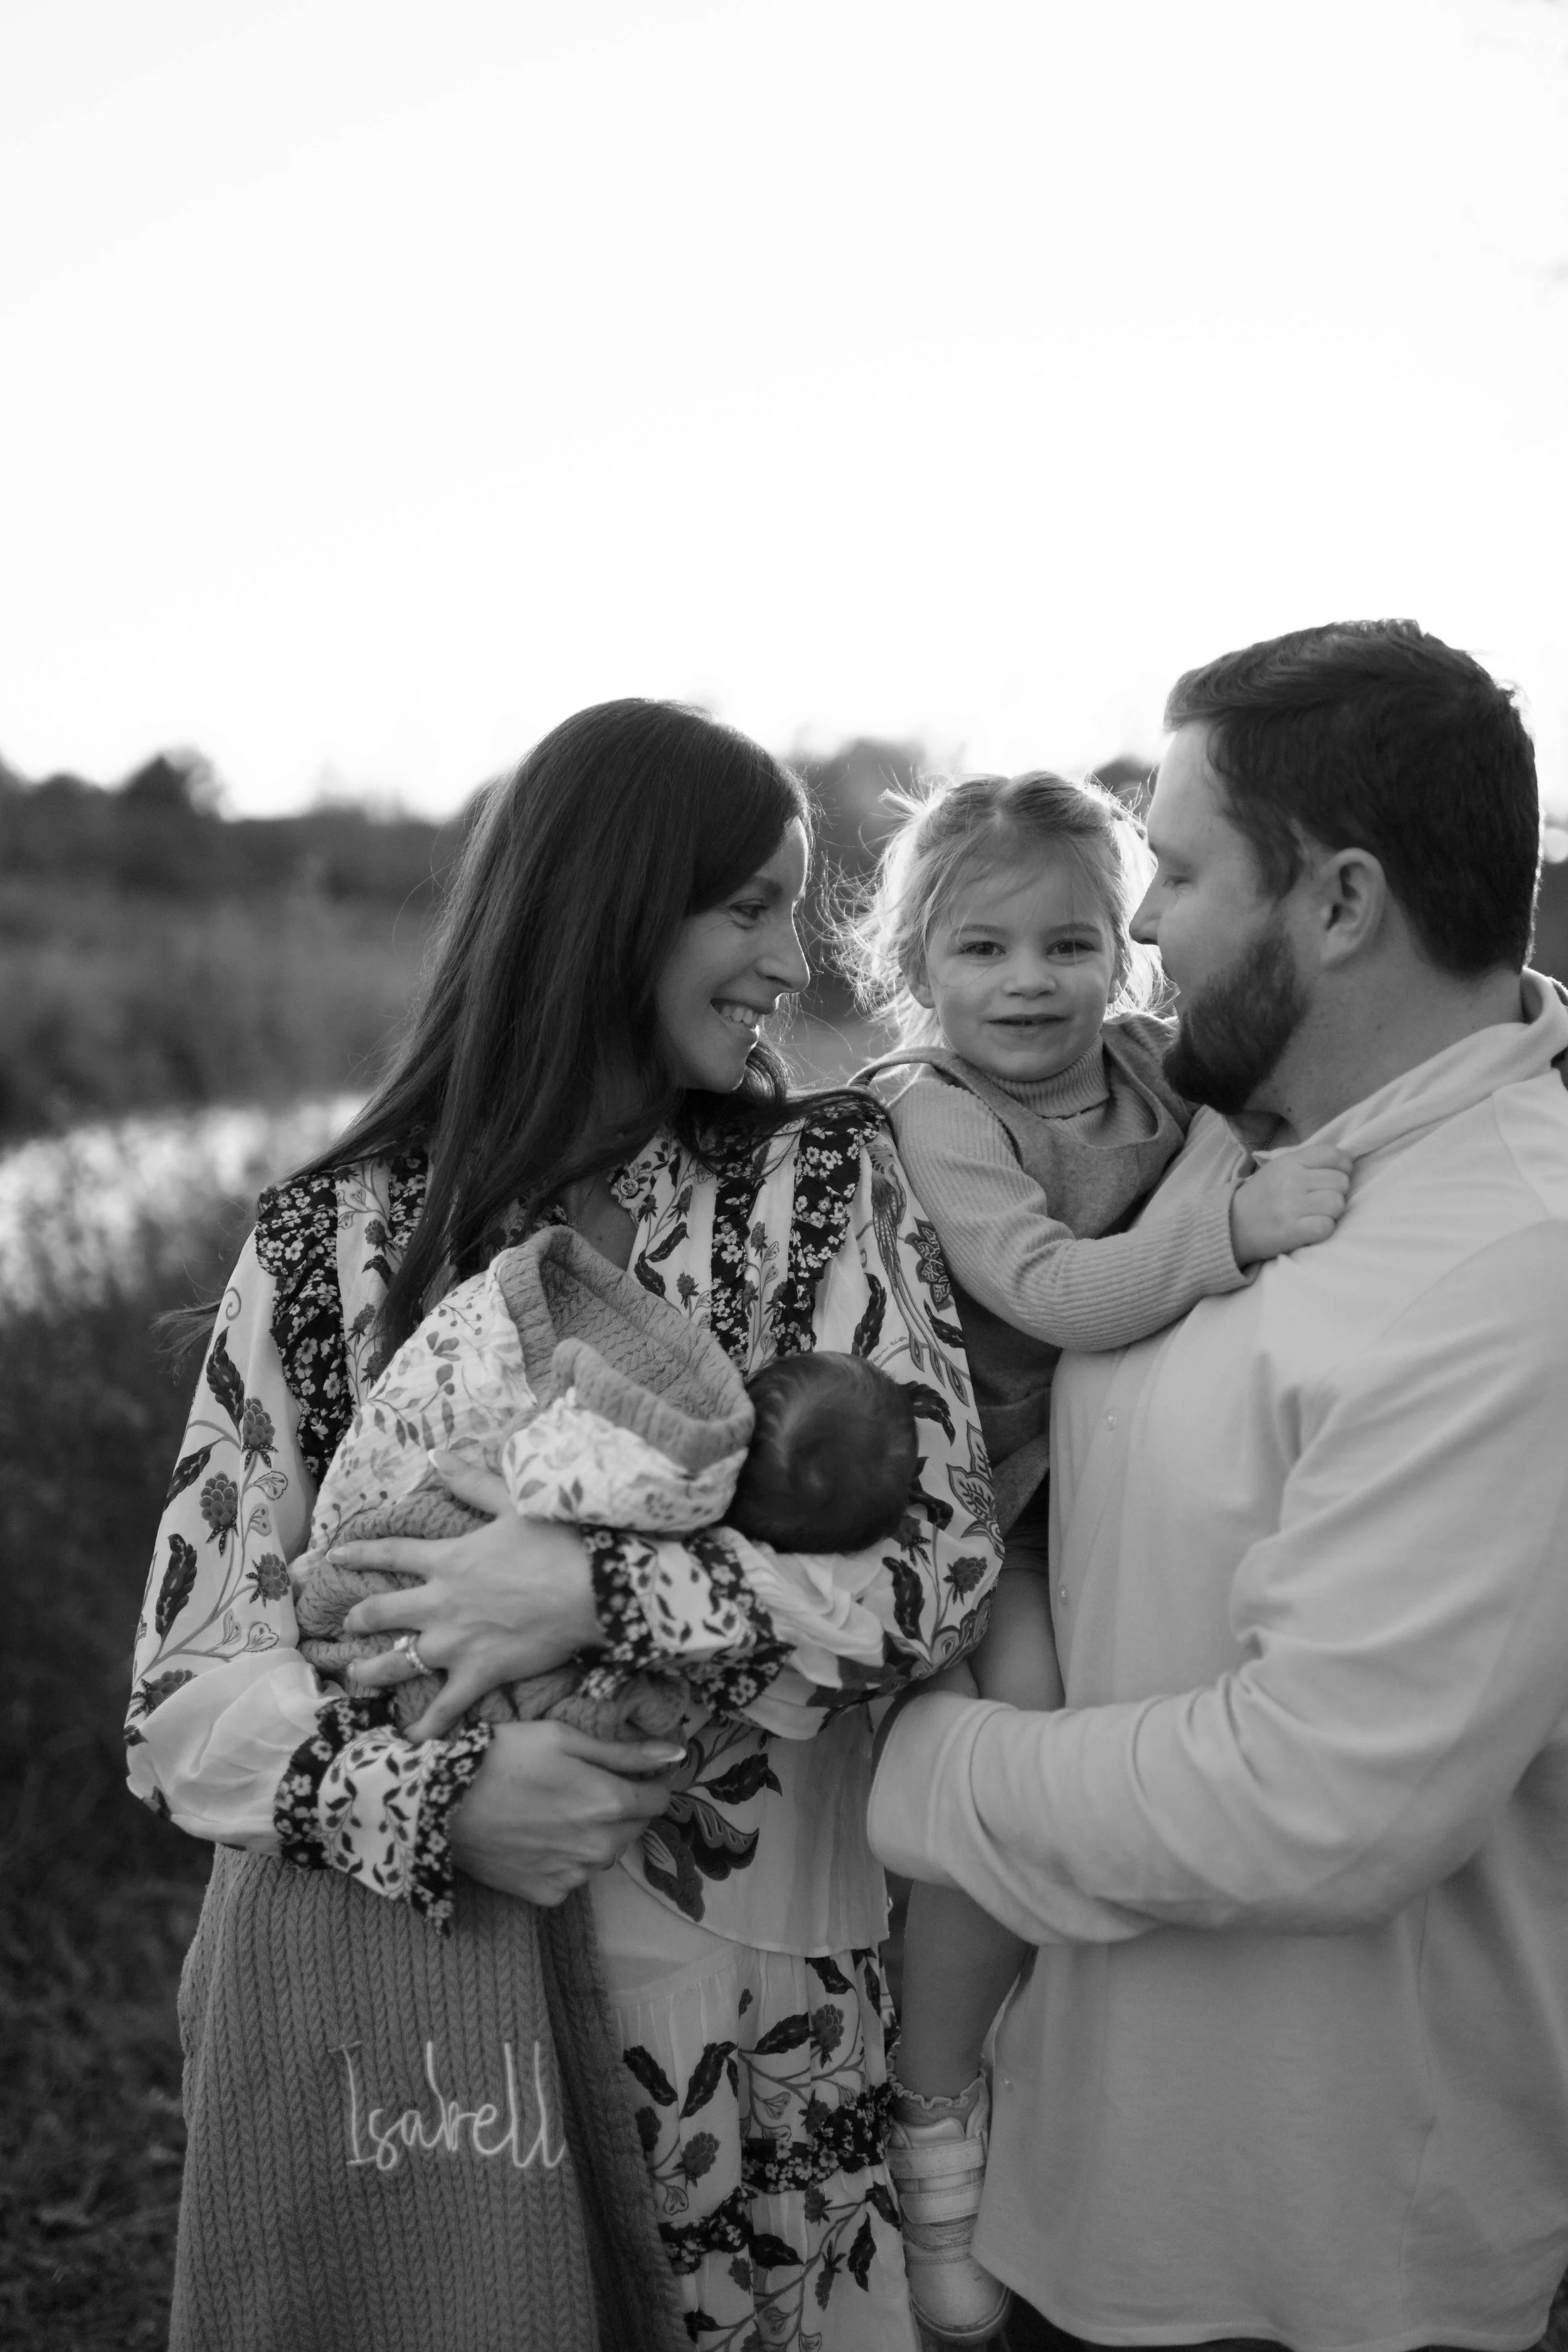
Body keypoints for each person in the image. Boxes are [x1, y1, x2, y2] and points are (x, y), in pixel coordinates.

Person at [127, 699, 1002, 2352]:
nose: (791, 960)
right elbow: (181, 1700)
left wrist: (594, 1588)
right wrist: (440, 1802)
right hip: (431, 2036)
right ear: (612, 909)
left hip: (761, 2027)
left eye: (799, 907)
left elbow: (937, 1570)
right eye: (747, 906)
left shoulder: (821, 1186)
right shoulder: (330, 1243)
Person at [867, 620, 1568, 2352]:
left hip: (1319, 2266)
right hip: (1072, 2187)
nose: (1139, 933)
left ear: (1337, 904)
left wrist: (918, 1765)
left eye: (1174, 875)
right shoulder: (1224, 1147)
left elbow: (1318, 1797)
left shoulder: (1511, 1259)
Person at [847, 770, 1350, 2343]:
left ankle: (1091, 2104)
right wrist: (1230, 1222)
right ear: (917, 965)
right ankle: (933, 2116)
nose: (1029, 983)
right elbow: (1056, 1293)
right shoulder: (933, 1110)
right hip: (994, 1509)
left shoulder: (1145, 1065)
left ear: (1120, 953)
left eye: (1068, 944)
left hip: (1130, 1487)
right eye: (982, 949)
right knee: (1024, 1749)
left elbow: (1274, 1093)